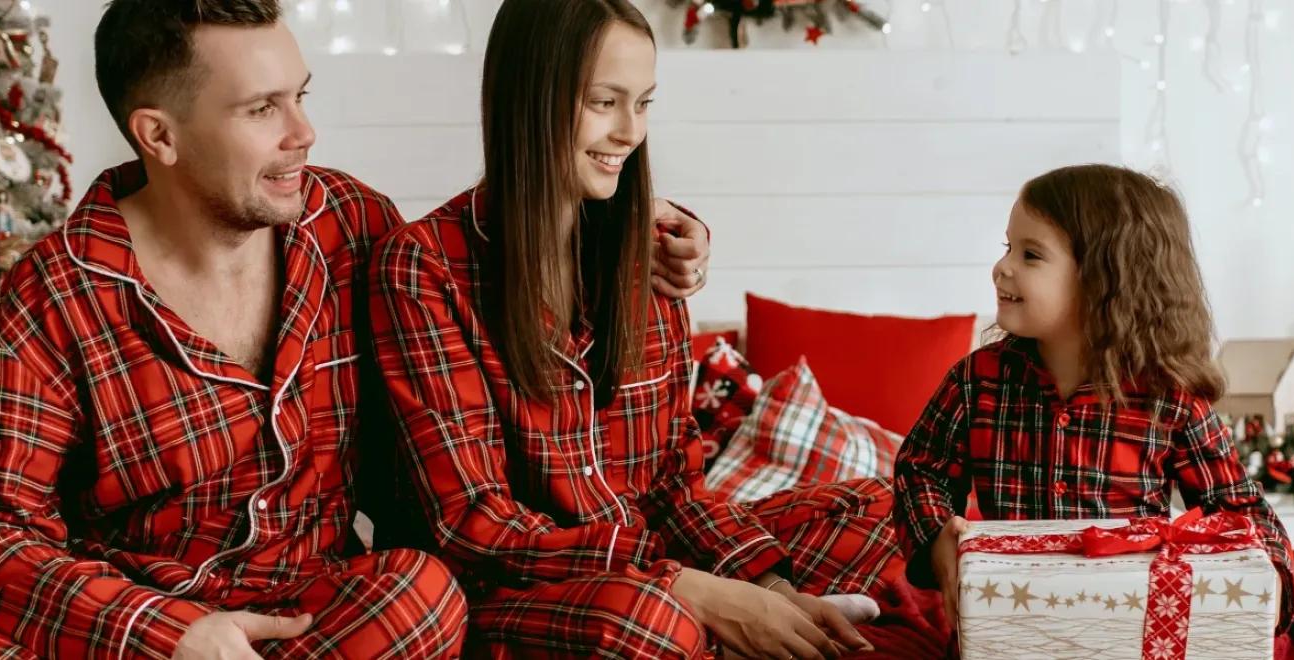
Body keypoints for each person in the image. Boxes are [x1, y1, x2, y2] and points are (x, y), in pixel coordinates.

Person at [0, 1, 709, 657]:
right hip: (165, 630)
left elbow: (478, 284)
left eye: (299, 96)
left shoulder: (350, 226)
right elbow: (3, 530)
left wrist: (632, 238)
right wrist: (165, 634)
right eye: (261, 110)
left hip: (337, 619)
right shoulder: (55, 297)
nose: (303, 133)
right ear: (160, 134)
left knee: (421, 596)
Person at [368, 1, 899, 657]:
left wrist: (769, 581)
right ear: (527, 98)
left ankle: (751, 629)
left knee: (880, 505)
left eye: (643, 103)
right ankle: (714, 631)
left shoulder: (649, 256)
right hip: (522, 590)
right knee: (648, 621)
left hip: (655, 562)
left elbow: (675, 484)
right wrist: (692, 589)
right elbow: (478, 526)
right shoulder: (425, 269)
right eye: (603, 102)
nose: (629, 132)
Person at [892, 163, 1294, 631]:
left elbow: (1240, 509)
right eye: (1008, 248)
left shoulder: (1170, 399)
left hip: (1127, 624)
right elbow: (921, 469)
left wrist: (1266, 586)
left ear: (1104, 281)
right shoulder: (976, 380)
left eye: (1031, 255)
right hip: (1010, 620)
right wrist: (939, 536)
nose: (1001, 267)